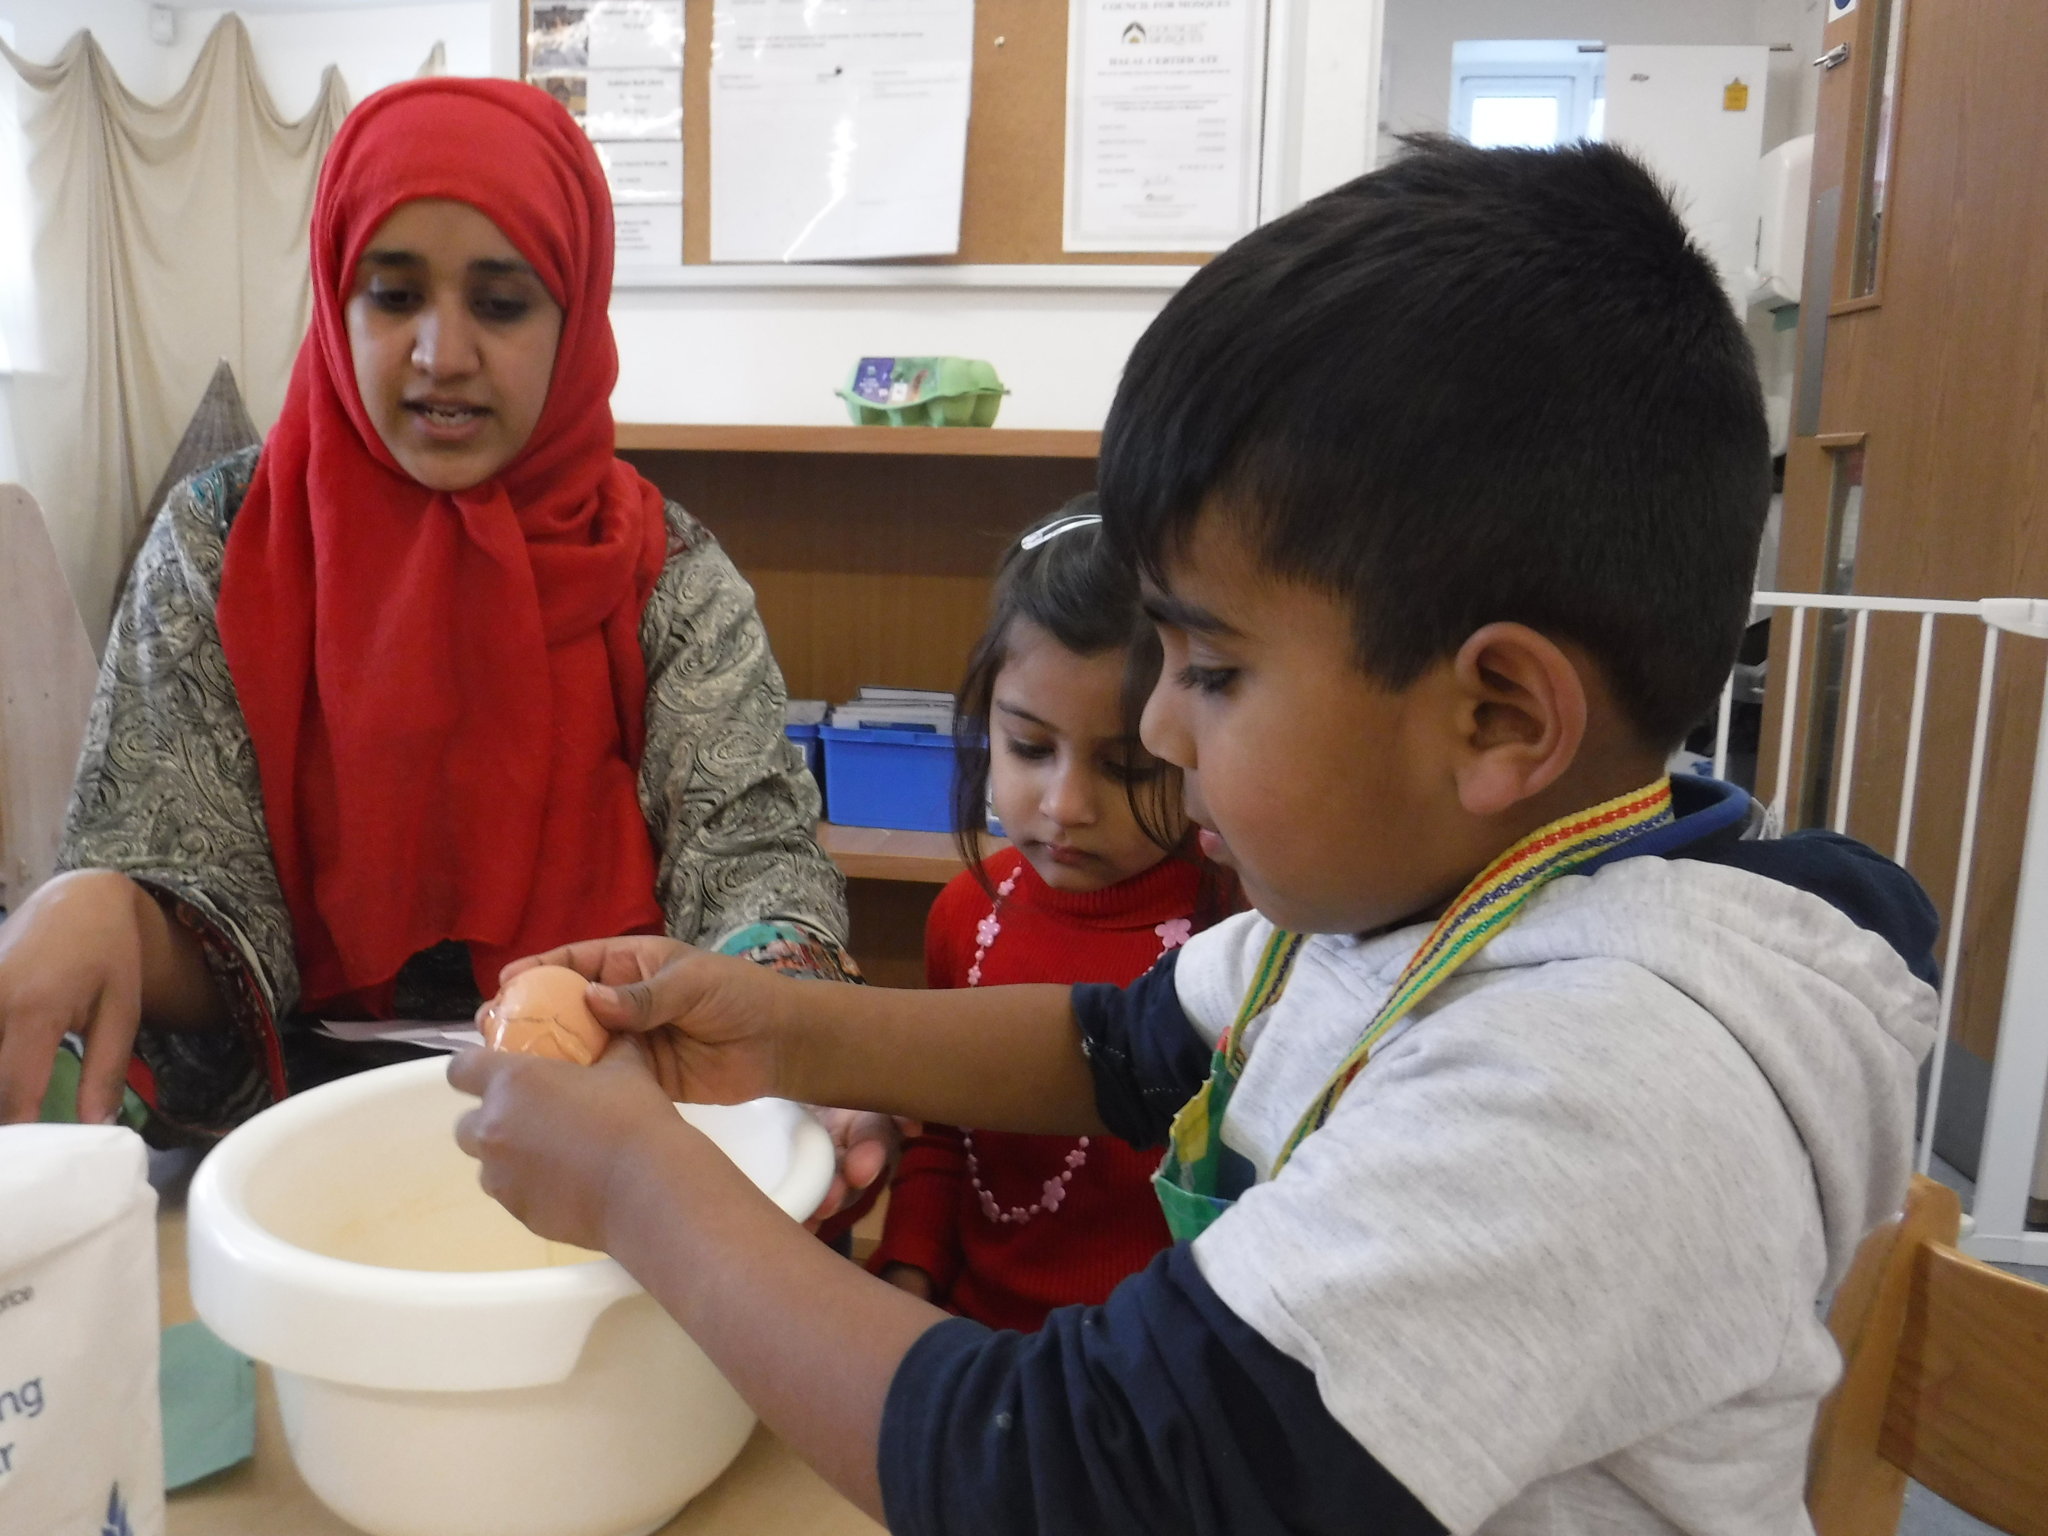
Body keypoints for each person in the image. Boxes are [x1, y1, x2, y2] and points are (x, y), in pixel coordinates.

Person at [447, 137, 1939, 1535]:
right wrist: (776, 1032)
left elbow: (1072, 1474)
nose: (1161, 731)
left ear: (1496, 717)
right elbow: (1124, 1045)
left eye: (1212, 672)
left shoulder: (1599, 1092)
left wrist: (645, 1188)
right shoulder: (1408, 909)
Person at [0, 79, 860, 1150]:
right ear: (333, 293)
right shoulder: (221, 545)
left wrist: (797, 1005)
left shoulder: (662, 570)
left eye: (500, 304)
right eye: (394, 295)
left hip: (621, 1115)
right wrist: (104, 908)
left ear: (574, 313)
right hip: (295, 1130)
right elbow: (187, 893)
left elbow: (750, 854)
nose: (441, 354)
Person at [870, 500, 1231, 1329]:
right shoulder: (966, 915)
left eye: (1129, 768)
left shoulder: (1238, 938)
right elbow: (944, 1139)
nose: (1065, 805)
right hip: (970, 1341)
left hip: (1140, 1386)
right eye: (1030, 748)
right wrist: (910, 1273)